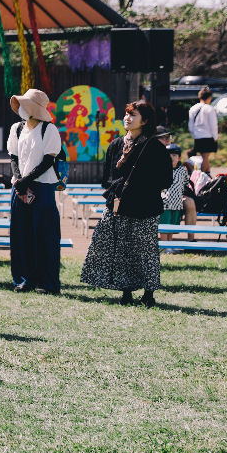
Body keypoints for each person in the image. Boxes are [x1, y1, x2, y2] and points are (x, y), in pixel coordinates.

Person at [81, 101, 172, 307]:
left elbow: (166, 179)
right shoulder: (116, 145)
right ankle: (126, 292)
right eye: (127, 114)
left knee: (145, 251)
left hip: (145, 207)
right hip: (118, 205)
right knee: (121, 250)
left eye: (133, 115)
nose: (127, 118)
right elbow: (106, 177)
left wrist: (141, 187)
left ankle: (148, 293)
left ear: (145, 120)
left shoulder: (154, 147)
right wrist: (118, 189)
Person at [5, 89, 63, 295]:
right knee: (21, 234)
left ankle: (48, 283)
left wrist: (25, 181)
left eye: (24, 104)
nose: (20, 108)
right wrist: (19, 180)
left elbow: (49, 159)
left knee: (45, 235)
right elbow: (13, 156)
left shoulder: (49, 130)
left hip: (43, 187)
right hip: (19, 185)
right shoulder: (16, 128)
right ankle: (24, 279)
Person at [159, 144, 189, 244]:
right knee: (164, 226)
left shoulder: (182, 170)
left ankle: (170, 244)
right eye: (168, 155)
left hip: (177, 203)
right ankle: (164, 245)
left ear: (179, 158)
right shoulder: (161, 169)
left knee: (172, 226)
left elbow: (185, 183)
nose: (171, 158)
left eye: (174, 155)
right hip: (164, 203)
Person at [188, 87, 218, 174]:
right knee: (205, 156)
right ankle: (203, 175)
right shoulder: (209, 109)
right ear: (209, 98)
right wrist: (215, 136)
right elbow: (213, 125)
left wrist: (195, 134)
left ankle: (208, 173)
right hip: (208, 136)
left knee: (204, 156)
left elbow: (190, 125)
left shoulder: (193, 108)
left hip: (198, 136)